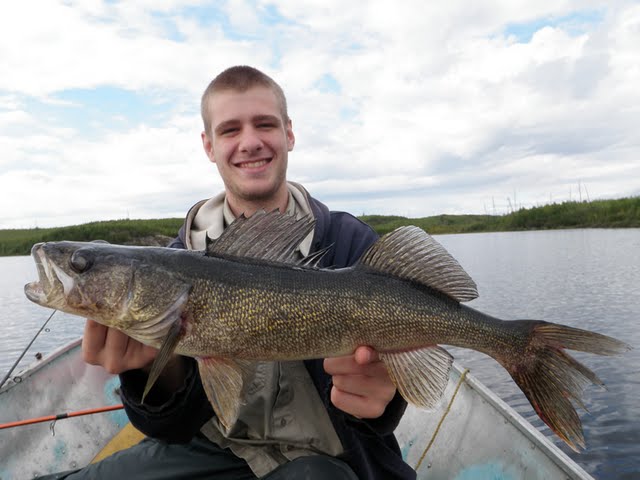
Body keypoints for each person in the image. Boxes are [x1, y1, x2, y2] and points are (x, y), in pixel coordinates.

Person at [40, 66, 416, 480]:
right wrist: (154, 372)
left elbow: (384, 405)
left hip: (326, 456)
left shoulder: (349, 244)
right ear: (209, 145)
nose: (250, 142)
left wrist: (386, 396)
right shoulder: (176, 260)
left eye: (265, 124)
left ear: (289, 134)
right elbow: (172, 428)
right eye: (230, 130)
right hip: (216, 447)